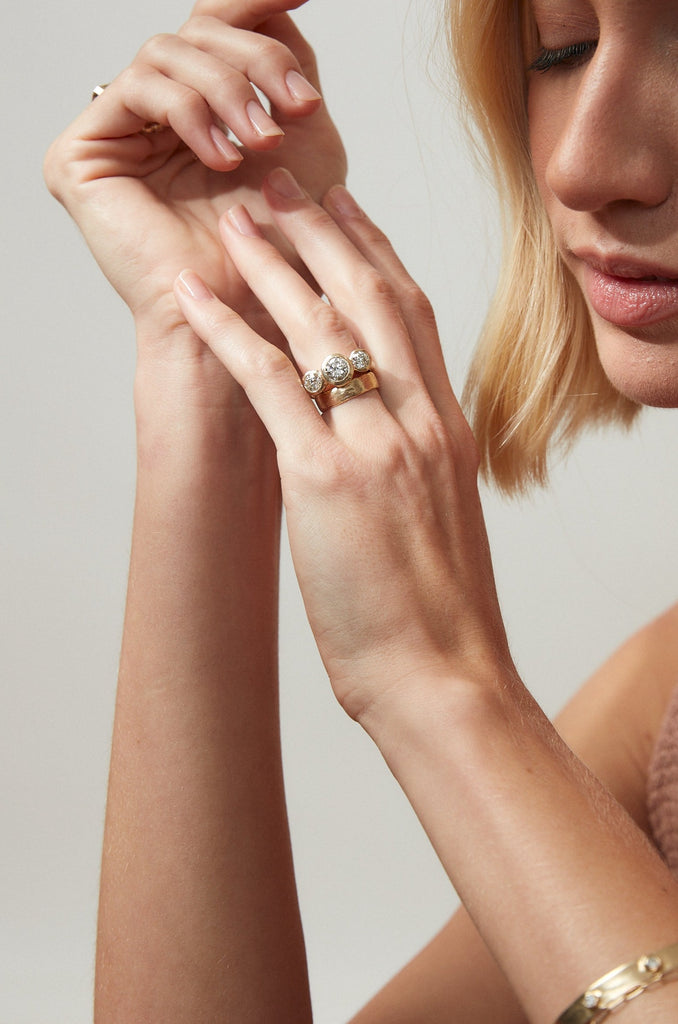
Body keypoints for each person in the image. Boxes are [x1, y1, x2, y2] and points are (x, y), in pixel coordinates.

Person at [43, 0, 678, 1020]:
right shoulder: (666, 703)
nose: (580, 162)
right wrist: (213, 350)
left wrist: (439, 679)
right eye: (562, 44)